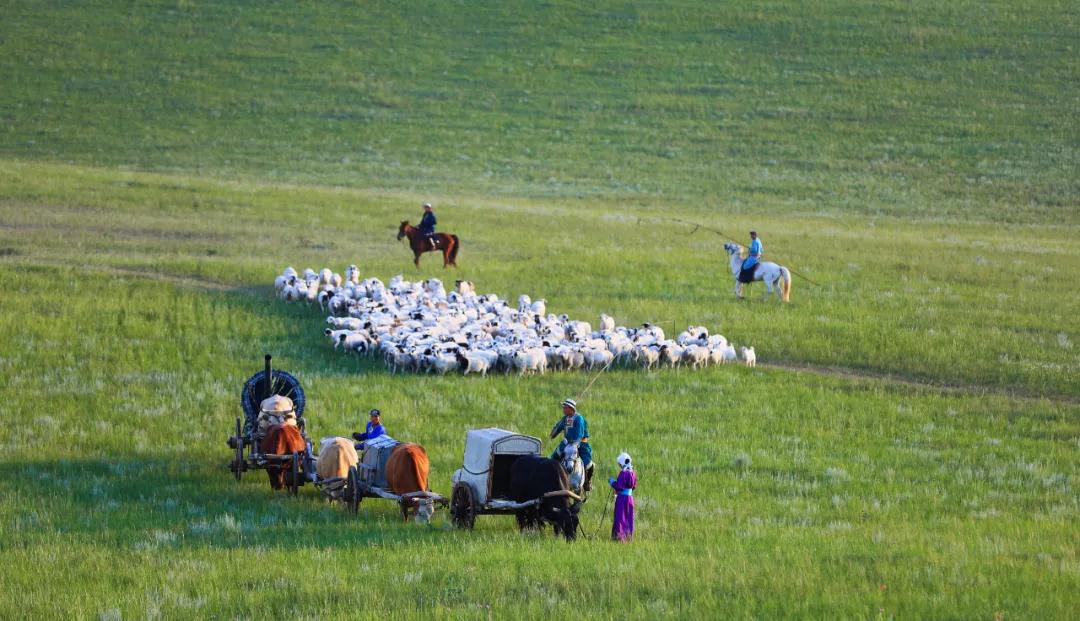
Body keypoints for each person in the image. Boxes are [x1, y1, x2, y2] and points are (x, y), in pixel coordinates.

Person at [550, 398, 594, 490]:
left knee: (587, 462)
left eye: (565, 407)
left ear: (571, 408)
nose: (563, 409)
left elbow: (579, 434)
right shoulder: (565, 419)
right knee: (554, 457)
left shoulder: (579, 418)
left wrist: (575, 443)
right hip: (566, 442)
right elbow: (559, 427)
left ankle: (587, 482)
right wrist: (553, 433)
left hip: (581, 443)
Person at [608, 452, 637, 542]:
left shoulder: (623, 473)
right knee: (629, 517)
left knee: (620, 517)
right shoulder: (633, 473)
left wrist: (612, 482)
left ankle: (619, 537)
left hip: (622, 499)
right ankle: (628, 536)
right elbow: (634, 486)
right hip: (630, 498)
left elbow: (619, 487)